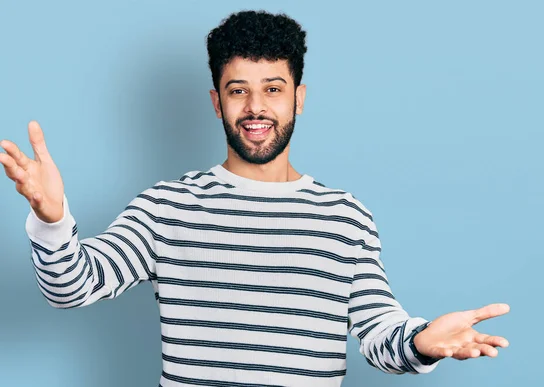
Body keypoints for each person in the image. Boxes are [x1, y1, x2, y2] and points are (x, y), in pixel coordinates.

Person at [0, 10, 510, 387]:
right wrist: (51, 219)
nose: (256, 107)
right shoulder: (167, 208)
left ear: (299, 98)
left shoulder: (344, 217)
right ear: (216, 100)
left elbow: (379, 334)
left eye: (273, 88)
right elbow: (71, 287)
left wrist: (421, 342)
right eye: (238, 90)